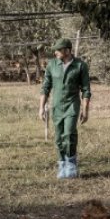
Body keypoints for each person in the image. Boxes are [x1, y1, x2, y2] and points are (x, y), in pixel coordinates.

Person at [39, 38, 91, 179]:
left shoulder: (80, 66)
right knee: (58, 137)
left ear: (67, 50)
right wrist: (41, 107)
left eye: (58, 50)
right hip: (56, 106)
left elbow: (86, 90)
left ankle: (71, 163)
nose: (55, 52)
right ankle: (62, 163)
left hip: (72, 105)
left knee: (69, 133)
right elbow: (45, 87)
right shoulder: (52, 65)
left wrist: (85, 110)